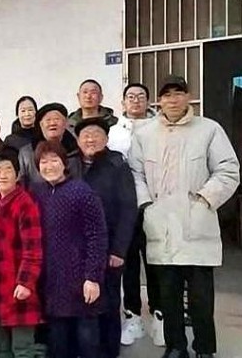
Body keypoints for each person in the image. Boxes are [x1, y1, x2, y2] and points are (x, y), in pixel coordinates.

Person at [129, 75, 240, 358]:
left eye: (178, 93)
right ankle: (176, 346)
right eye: (167, 95)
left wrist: (205, 198)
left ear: (188, 97)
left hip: (196, 223)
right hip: (161, 225)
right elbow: (135, 174)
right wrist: (146, 205)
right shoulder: (145, 134)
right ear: (160, 100)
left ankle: (204, 348)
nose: (173, 100)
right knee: (168, 295)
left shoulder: (209, 130)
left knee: (201, 297)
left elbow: (228, 169)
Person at [31, 141, 108, 358]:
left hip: (80, 280)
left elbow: (97, 236)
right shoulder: (37, 193)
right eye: (43, 162)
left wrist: (92, 277)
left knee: (87, 341)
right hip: (52, 282)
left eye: (54, 160)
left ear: (64, 163)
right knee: (58, 344)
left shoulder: (82, 192)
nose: (49, 166)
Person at [69, 118, 138, 358]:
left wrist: (119, 250)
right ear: (78, 140)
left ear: (106, 139)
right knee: (80, 301)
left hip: (109, 248)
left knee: (108, 302)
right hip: (76, 249)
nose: (90, 139)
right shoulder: (70, 164)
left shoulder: (117, 165)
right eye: (85, 135)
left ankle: (109, 351)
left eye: (96, 134)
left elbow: (129, 208)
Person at [108, 83, 163, 348]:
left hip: (154, 204)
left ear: (149, 101)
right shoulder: (114, 131)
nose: (136, 101)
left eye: (141, 96)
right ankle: (132, 316)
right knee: (128, 263)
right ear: (123, 102)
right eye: (131, 97)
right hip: (125, 206)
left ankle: (159, 315)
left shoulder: (160, 127)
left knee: (155, 262)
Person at [0, 148, 45, 358]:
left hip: (18, 286)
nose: (2, 175)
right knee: (2, 350)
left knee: (23, 349)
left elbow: (33, 249)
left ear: (17, 175)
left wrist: (26, 282)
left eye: (8, 169)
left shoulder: (25, 203)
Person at [18, 103, 78, 189]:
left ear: (65, 123)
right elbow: (21, 185)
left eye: (57, 119)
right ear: (41, 125)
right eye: (48, 120)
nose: (52, 123)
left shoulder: (76, 151)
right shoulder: (26, 153)